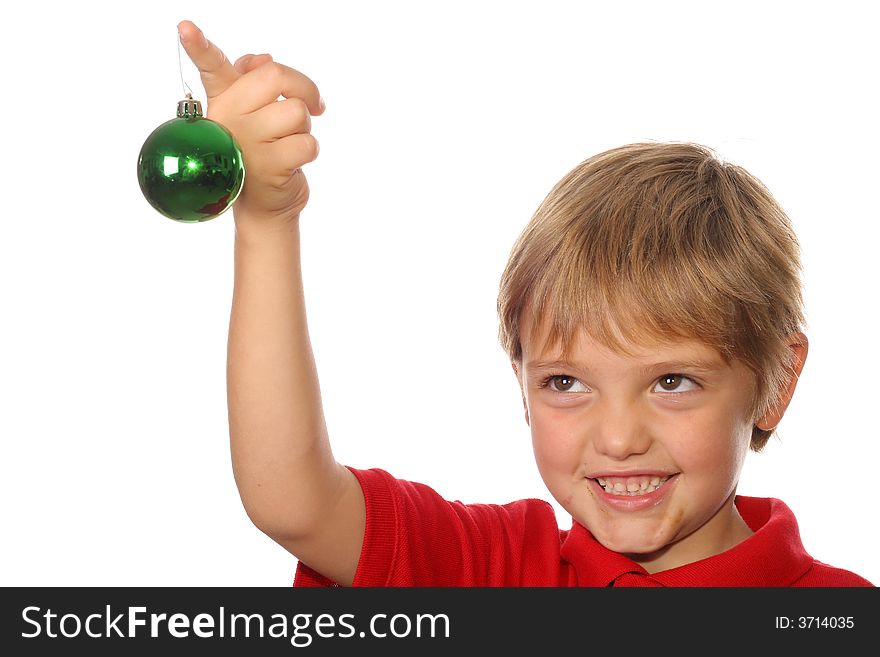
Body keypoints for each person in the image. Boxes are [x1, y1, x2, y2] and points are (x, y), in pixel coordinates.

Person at [178, 20, 873, 587]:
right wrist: (268, 224)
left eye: (672, 380)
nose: (619, 437)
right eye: (566, 382)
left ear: (776, 382)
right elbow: (293, 501)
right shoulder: (499, 570)